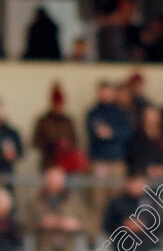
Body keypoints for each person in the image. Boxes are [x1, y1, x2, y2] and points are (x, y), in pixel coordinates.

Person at [85, 81, 133, 237]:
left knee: (116, 199)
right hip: (99, 161)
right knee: (97, 199)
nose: (105, 95)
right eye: (102, 92)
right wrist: (112, 135)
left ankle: (115, 236)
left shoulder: (121, 113)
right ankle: (94, 236)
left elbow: (126, 133)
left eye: (108, 92)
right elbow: (96, 133)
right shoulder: (93, 113)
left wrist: (111, 134)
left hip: (117, 162)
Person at [32, 83, 78, 171]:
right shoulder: (43, 121)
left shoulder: (68, 122)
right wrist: (53, 145)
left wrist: (67, 145)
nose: (59, 107)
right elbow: (36, 142)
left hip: (66, 164)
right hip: (49, 162)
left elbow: (75, 141)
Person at [126, 105, 163, 179]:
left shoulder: (160, 137)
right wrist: (147, 169)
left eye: (154, 116)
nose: (152, 120)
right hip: (142, 177)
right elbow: (134, 159)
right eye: (149, 116)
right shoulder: (137, 138)